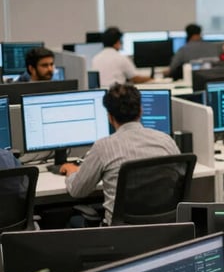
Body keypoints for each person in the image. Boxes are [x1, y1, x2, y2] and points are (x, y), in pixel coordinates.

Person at [60, 83, 180, 225]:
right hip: (162, 227)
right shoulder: (165, 140)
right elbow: (178, 178)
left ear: (110, 117)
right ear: (141, 111)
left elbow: (77, 191)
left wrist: (71, 172)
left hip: (120, 233)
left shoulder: (102, 147)